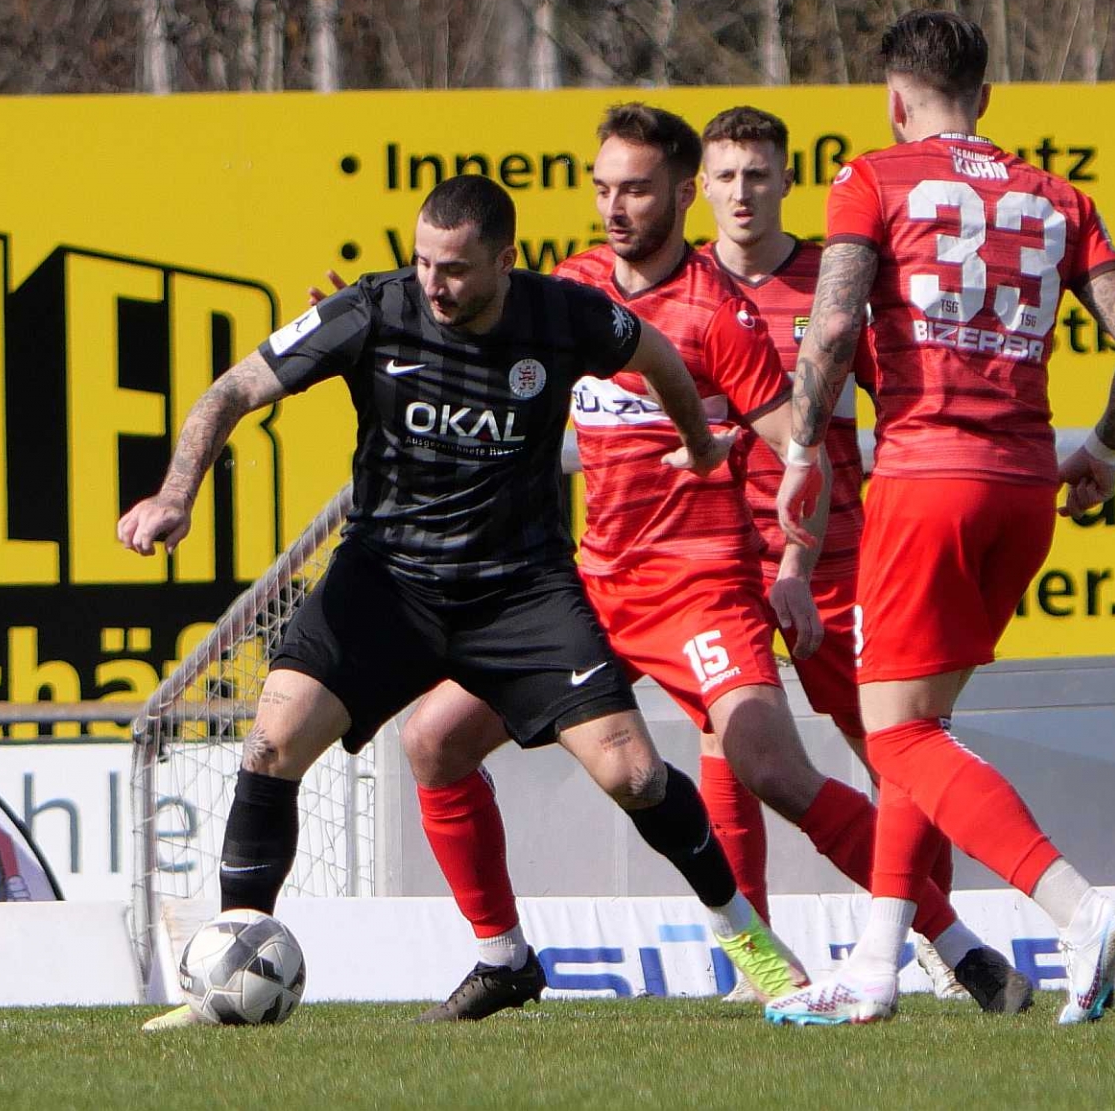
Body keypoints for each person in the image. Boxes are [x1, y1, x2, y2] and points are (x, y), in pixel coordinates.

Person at [397, 104, 1028, 1018]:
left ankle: (960, 949)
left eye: (636, 189)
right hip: (588, 588)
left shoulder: (716, 313)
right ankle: (503, 956)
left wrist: (792, 566)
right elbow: (466, 317)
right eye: (603, 188)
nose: (616, 207)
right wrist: (389, 323)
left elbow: (799, 452)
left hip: (698, 588)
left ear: (681, 193)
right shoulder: (571, 288)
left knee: (774, 769)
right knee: (433, 740)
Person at [122, 175, 751, 1030]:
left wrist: (700, 443)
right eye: (422, 262)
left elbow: (659, 357)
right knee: (271, 742)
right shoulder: (372, 309)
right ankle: (227, 981)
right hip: (388, 582)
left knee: (634, 775)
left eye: (454, 268)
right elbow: (229, 391)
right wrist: (175, 495)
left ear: (505, 260)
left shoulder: (563, 315)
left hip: (521, 590)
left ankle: (751, 947)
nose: (433, 284)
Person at [765, 10, 1115, 1026]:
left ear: (893, 100)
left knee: (896, 733)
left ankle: (1077, 907)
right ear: (985, 97)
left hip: (926, 481)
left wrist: (804, 450)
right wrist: (1103, 450)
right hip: (1024, 488)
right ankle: (875, 964)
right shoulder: (1057, 195)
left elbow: (834, 324)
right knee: (923, 723)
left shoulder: (873, 177)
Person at [696, 105, 981, 1003]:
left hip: (838, 554)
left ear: (788, 180)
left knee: (897, 742)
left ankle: (936, 937)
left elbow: (902, 404)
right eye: (726, 175)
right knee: (728, 742)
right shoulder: (683, 287)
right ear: (701, 186)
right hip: (720, 557)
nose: (742, 192)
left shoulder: (834, 283)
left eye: (758, 173)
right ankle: (753, 961)